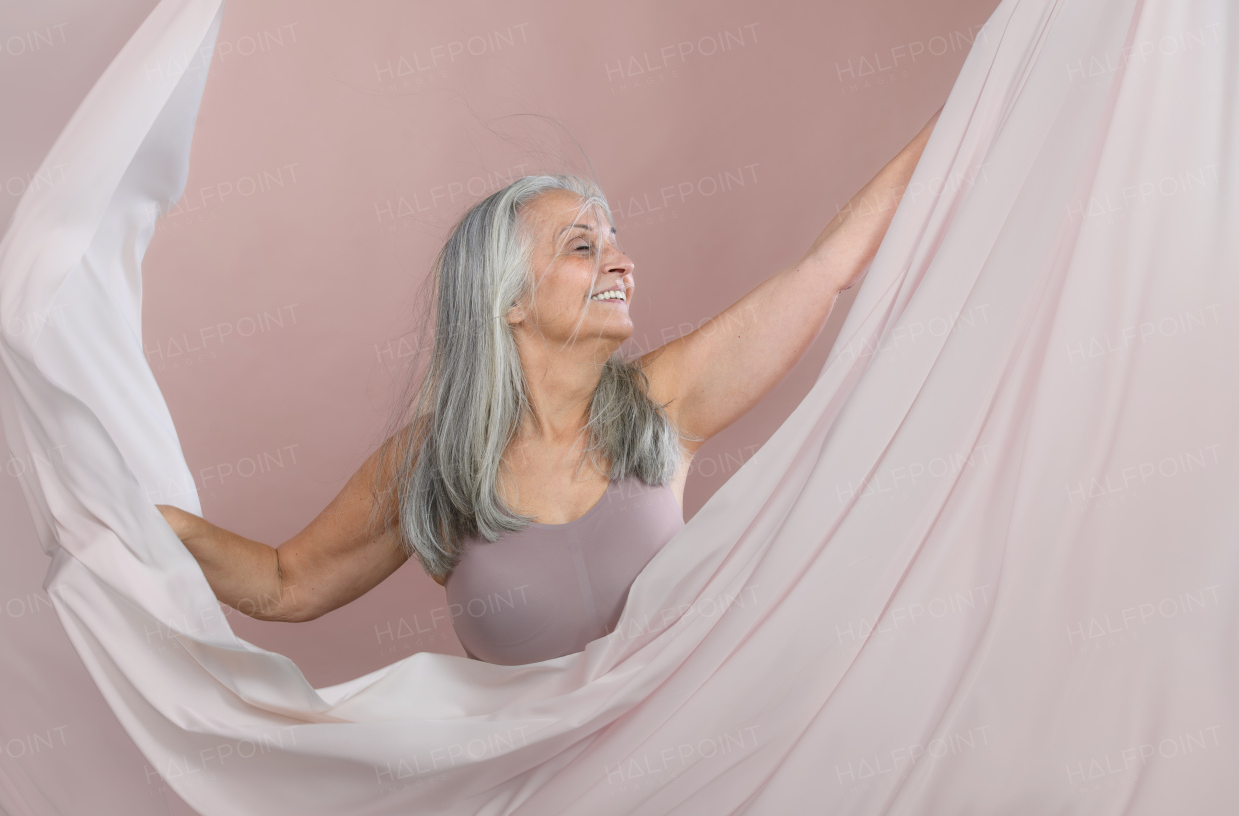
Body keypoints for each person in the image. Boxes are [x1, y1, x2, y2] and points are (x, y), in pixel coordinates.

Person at [156, 107, 941, 664]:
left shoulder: (663, 404)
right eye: (582, 246)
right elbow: (286, 583)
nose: (623, 263)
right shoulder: (434, 463)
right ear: (509, 300)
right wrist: (160, 528)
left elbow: (826, 268)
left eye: (615, 241)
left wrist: (980, 103)